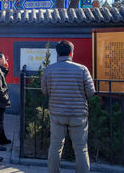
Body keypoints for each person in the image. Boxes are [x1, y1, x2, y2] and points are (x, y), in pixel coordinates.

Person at [41, 40, 95, 173]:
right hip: (78, 115)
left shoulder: (48, 70)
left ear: (57, 53)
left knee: (55, 147)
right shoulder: (82, 69)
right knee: (81, 148)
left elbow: (45, 91)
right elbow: (91, 92)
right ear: (71, 53)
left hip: (57, 114)